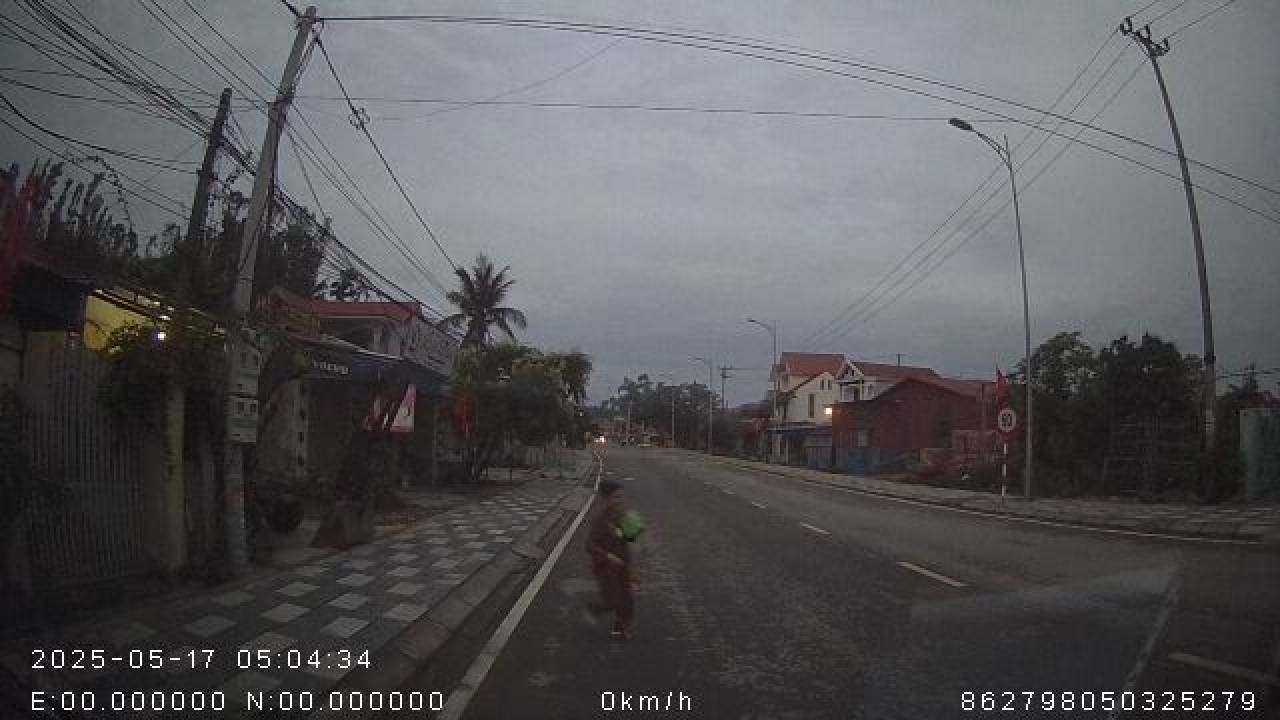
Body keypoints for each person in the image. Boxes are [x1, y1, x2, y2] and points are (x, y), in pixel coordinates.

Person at [585, 479, 635, 639]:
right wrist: (608, 556)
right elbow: (589, 545)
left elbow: (627, 539)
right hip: (605, 567)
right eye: (616, 497)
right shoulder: (600, 520)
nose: (619, 500)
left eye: (621, 496)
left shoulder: (621, 515)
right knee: (614, 600)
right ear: (606, 499)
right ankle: (594, 609)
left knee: (628, 599)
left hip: (622, 564)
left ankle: (620, 629)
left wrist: (630, 567)